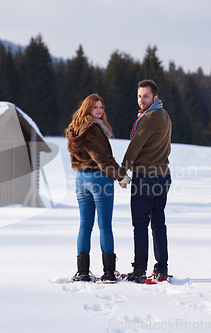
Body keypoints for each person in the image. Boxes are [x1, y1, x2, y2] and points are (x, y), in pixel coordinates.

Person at [66, 93, 128, 282]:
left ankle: (82, 272)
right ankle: (109, 272)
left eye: (101, 107)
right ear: (88, 108)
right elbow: (103, 158)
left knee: (85, 225)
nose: (99, 110)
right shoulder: (93, 129)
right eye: (95, 107)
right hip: (99, 180)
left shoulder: (75, 129)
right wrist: (121, 176)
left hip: (80, 179)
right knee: (104, 225)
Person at [120, 79, 172, 283]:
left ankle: (140, 269)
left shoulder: (150, 118)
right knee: (158, 224)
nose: (142, 100)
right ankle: (161, 268)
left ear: (155, 97)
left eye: (146, 96)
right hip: (163, 176)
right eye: (140, 96)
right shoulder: (165, 115)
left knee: (140, 225)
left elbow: (135, 148)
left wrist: (122, 172)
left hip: (145, 177)